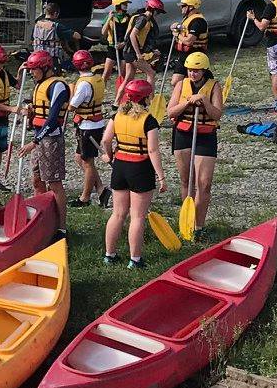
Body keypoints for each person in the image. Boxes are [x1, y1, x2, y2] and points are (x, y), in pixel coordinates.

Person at [103, 78, 164, 267]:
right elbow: (153, 151)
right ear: (145, 98)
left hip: (120, 166)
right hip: (140, 167)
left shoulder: (117, 116)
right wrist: (161, 177)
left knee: (118, 214)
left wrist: (110, 155)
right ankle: (135, 260)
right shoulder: (149, 121)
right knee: (137, 216)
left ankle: (109, 255)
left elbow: (106, 140)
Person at [167, 50, 223, 231]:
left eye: (196, 71)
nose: (193, 74)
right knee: (186, 181)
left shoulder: (214, 86)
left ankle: (199, 226)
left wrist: (205, 101)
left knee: (204, 183)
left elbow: (217, 114)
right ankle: (187, 223)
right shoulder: (181, 85)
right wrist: (188, 102)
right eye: (190, 70)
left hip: (205, 136)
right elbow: (170, 112)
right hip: (183, 134)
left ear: (204, 71)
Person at [25, 49, 71, 230]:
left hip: (50, 140)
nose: (31, 72)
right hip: (38, 138)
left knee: (54, 183)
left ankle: (61, 227)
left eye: (34, 69)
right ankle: (42, 219)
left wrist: (35, 141)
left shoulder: (57, 86)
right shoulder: (39, 84)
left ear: (45, 68)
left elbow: (52, 120)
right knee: (36, 180)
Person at [70, 49, 109, 208]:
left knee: (87, 162)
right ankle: (101, 189)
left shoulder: (83, 84)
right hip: (95, 123)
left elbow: (72, 106)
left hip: (88, 127)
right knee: (80, 159)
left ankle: (85, 198)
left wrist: (71, 89)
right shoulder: (97, 78)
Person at [168, 0, 209, 80]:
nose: (181, 8)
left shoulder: (198, 22)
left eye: (183, 6)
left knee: (195, 80)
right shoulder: (187, 18)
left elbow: (189, 41)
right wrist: (176, 27)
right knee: (175, 82)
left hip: (195, 55)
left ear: (191, 7)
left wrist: (177, 35)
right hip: (184, 55)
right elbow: (185, 30)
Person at [102, 0, 138, 86]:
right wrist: (109, 18)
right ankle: (100, 90)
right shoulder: (111, 17)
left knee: (123, 73)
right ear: (118, 5)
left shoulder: (129, 18)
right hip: (112, 47)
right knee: (106, 73)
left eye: (126, 4)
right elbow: (103, 32)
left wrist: (123, 44)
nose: (126, 6)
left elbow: (130, 34)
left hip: (124, 47)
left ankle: (123, 93)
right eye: (124, 4)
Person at [132, 0, 168, 82]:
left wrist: (152, 50)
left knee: (129, 77)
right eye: (158, 12)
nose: (158, 15)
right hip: (132, 53)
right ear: (152, 9)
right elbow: (132, 35)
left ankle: (123, 95)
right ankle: (149, 96)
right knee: (151, 73)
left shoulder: (148, 21)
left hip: (131, 52)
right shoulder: (143, 19)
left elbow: (144, 39)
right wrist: (138, 54)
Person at [31, 0, 65, 64]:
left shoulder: (37, 24)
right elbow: (76, 36)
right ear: (55, 13)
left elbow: (32, 39)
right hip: (52, 59)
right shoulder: (57, 26)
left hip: (37, 58)